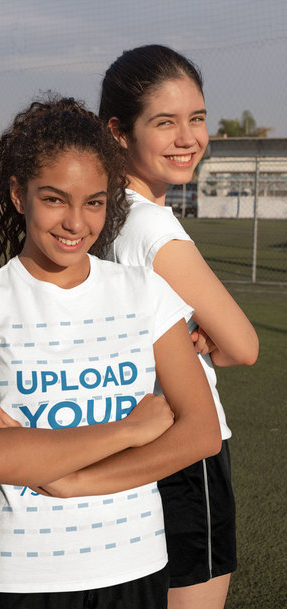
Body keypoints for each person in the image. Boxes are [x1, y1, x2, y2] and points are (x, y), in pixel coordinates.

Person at [0, 96, 221, 609]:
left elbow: (199, 433)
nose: (75, 222)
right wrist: (129, 431)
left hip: (137, 565)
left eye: (94, 201)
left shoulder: (146, 292)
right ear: (20, 195)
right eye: (55, 199)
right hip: (24, 577)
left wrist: (70, 480)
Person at [98, 45, 259, 609]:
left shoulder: (97, 215)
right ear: (118, 131)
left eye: (197, 117)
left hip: (120, 442)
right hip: (186, 453)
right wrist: (212, 345)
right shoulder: (153, 230)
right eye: (164, 122)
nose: (188, 137)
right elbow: (243, 346)